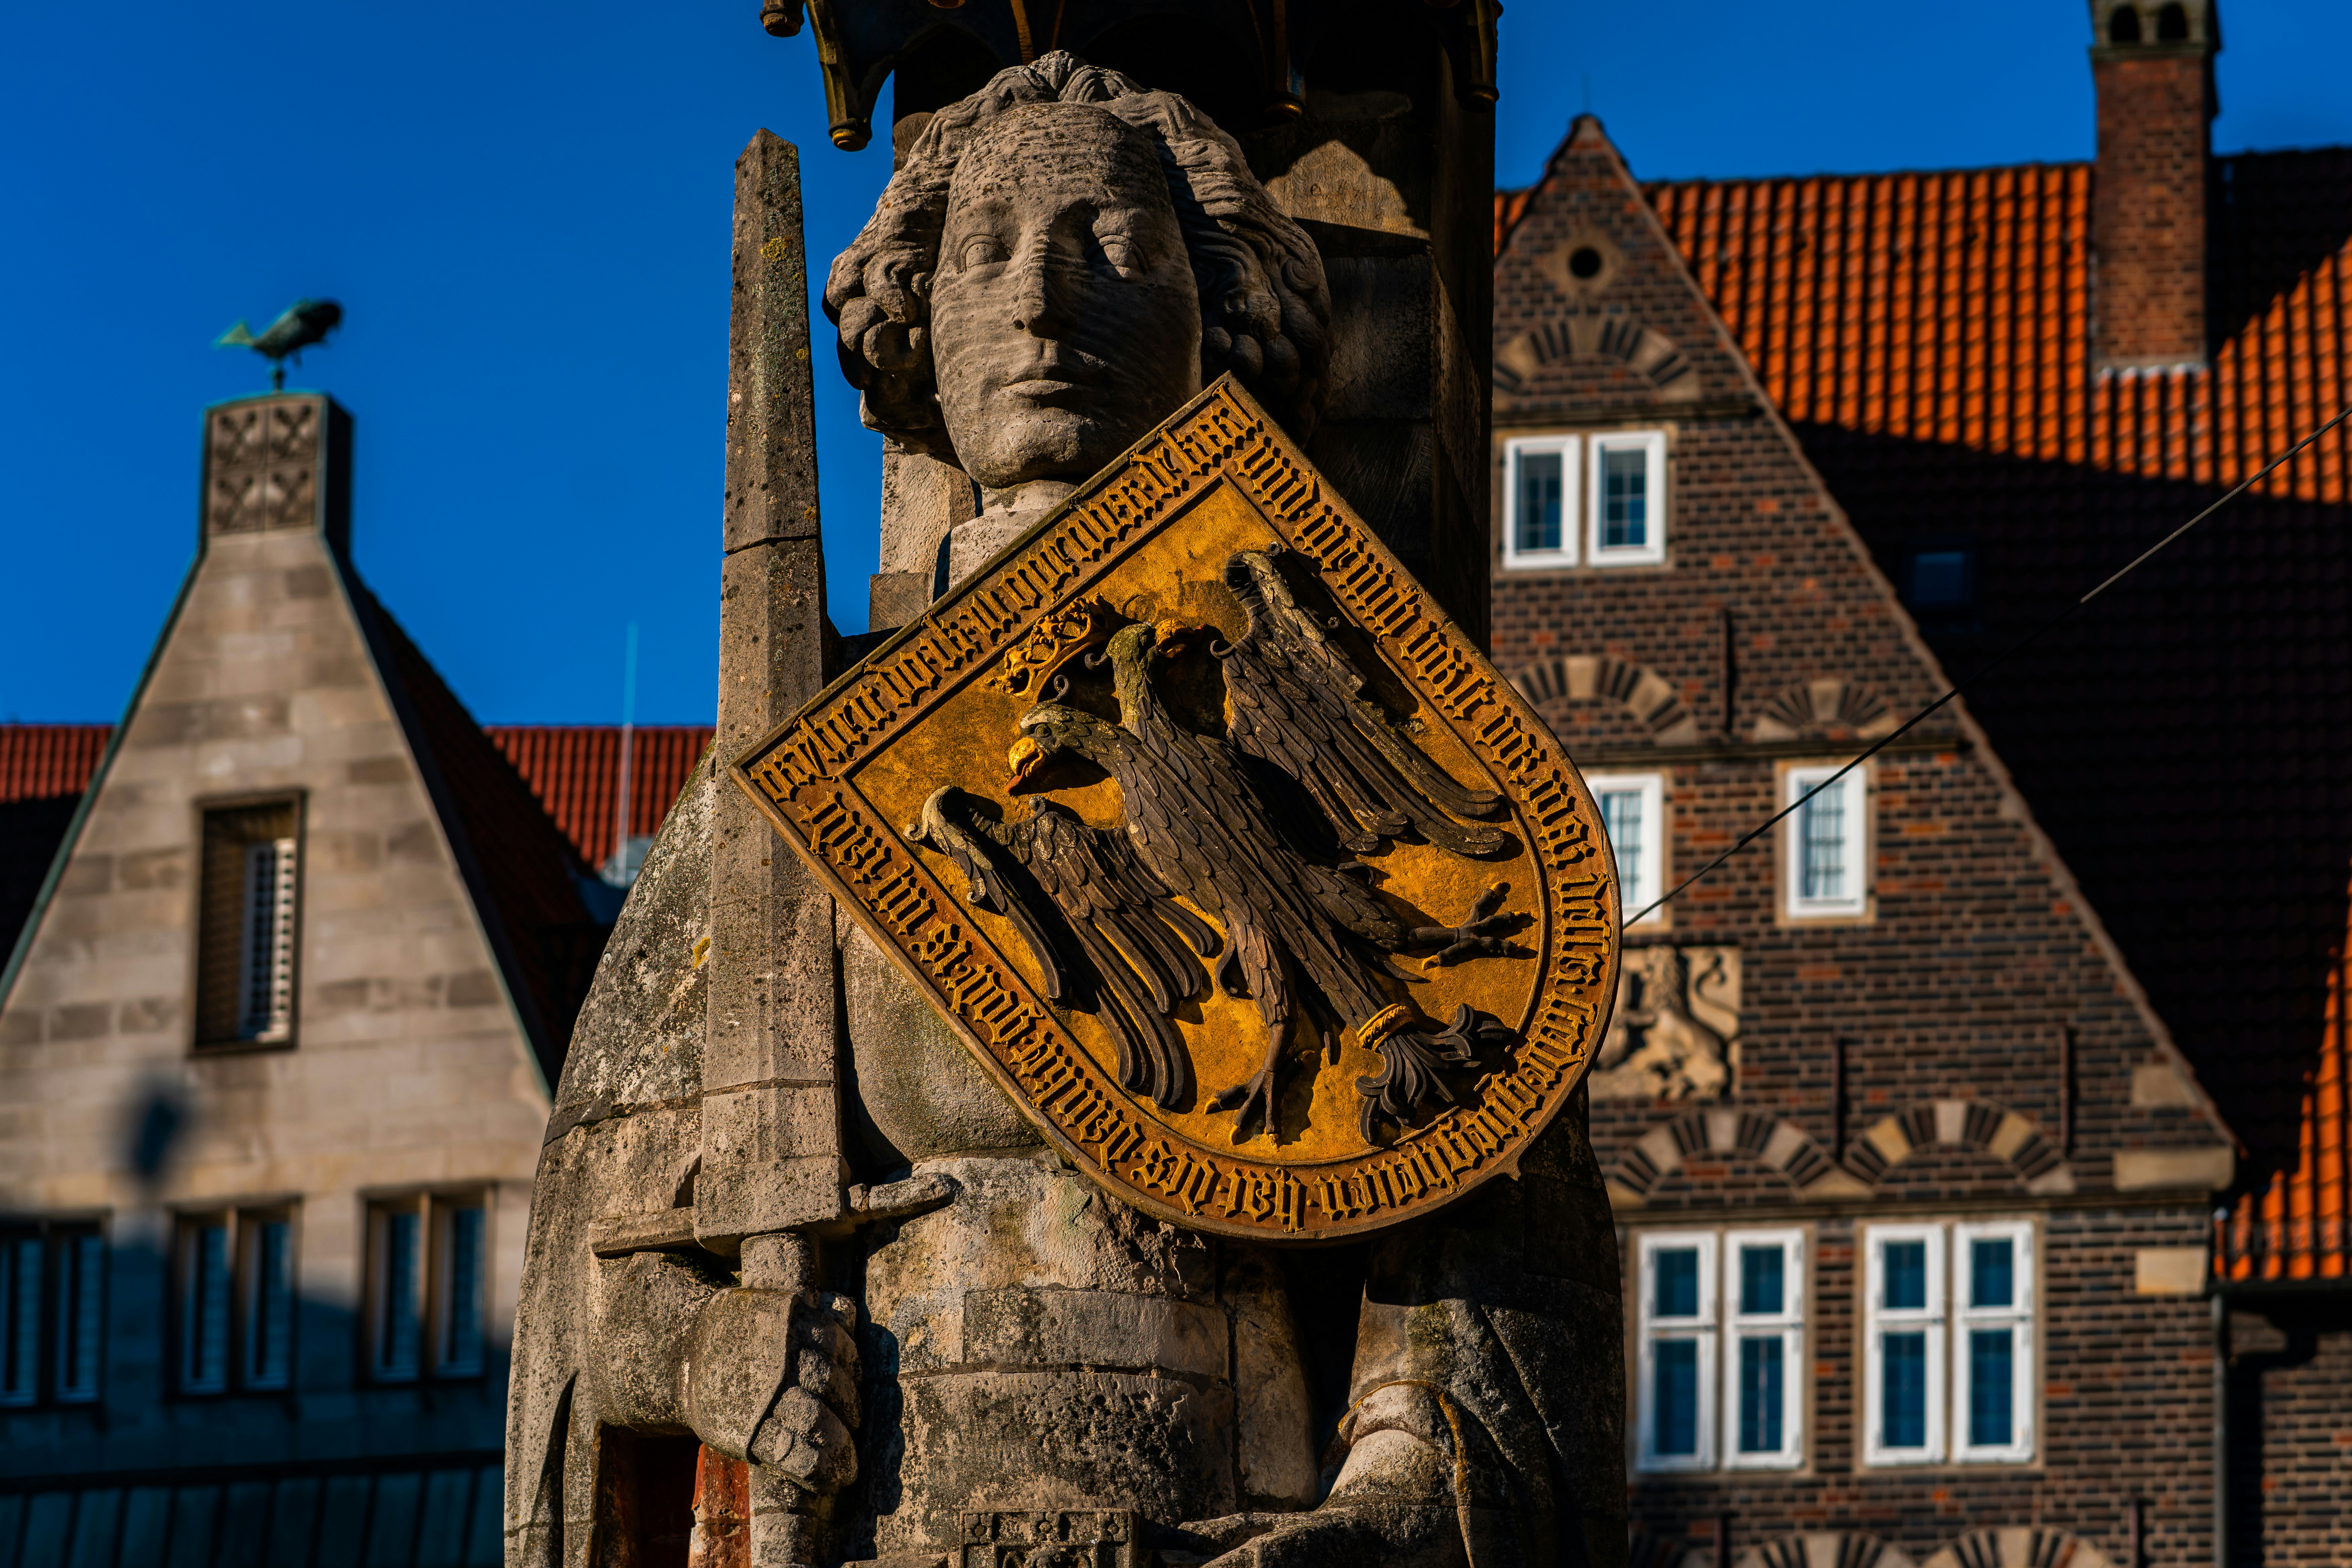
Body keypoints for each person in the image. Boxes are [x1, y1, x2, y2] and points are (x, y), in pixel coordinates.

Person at [510, 53, 1625, 1568]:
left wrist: (1373, 1526)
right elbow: (604, 1265)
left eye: (1113, 244)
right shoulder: (805, 762)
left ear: (1215, 308)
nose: (1041, 300)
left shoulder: (1333, 692)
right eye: (984, 255)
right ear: (918, 328)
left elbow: (1489, 1231)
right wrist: (714, 1354)